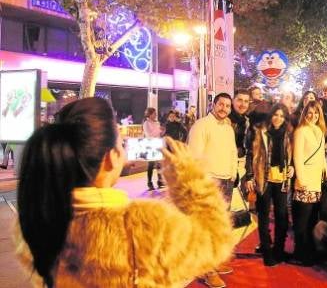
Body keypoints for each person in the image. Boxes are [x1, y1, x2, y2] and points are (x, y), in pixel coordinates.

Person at [15, 97, 234, 288]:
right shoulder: (142, 227)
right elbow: (215, 240)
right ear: (111, 158)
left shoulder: (36, 219)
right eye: (121, 143)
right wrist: (189, 178)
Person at [187, 92, 238, 287]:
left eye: (227, 105)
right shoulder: (201, 125)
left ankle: (214, 263)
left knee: (219, 228)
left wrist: (233, 174)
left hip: (226, 180)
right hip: (209, 183)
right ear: (213, 104)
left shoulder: (228, 128)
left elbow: (233, 152)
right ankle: (207, 270)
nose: (224, 108)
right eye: (221, 104)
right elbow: (194, 157)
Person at [244, 104, 294, 266]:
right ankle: (267, 251)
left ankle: (278, 250)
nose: (278, 118)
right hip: (263, 178)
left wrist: (291, 167)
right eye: (276, 115)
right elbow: (251, 155)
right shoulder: (260, 131)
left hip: (281, 179)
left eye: (282, 116)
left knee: (282, 216)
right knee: (264, 215)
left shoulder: (288, 133)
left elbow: (290, 155)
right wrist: (250, 176)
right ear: (271, 115)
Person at [292, 100, 327, 266]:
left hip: (317, 182)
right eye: (309, 113)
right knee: (302, 220)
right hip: (305, 181)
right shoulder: (301, 131)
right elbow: (297, 157)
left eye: (316, 113)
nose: (313, 116)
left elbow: (322, 157)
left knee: (312, 220)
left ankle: (309, 251)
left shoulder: (320, 132)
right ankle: (300, 253)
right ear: (304, 113)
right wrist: (301, 179)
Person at [229, 90, 251, 182]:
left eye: (246, 101)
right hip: (228, 169)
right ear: (233, 100)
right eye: (240, 100)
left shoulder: (246, 121)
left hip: (242, 166)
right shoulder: (225, 120)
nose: (243, 104)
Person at [143, 107, 164, 190]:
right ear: (150, 114)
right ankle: (149, 182)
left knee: (159, 164)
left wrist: (162, 131)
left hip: (157, 144)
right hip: (150, 145)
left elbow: (159, 134)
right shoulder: (146, 123)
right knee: (151, 165)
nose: (155, 115)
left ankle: (160, 181)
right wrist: (158, 131)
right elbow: (149, 135)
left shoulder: (157, 123)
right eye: (154, 113)